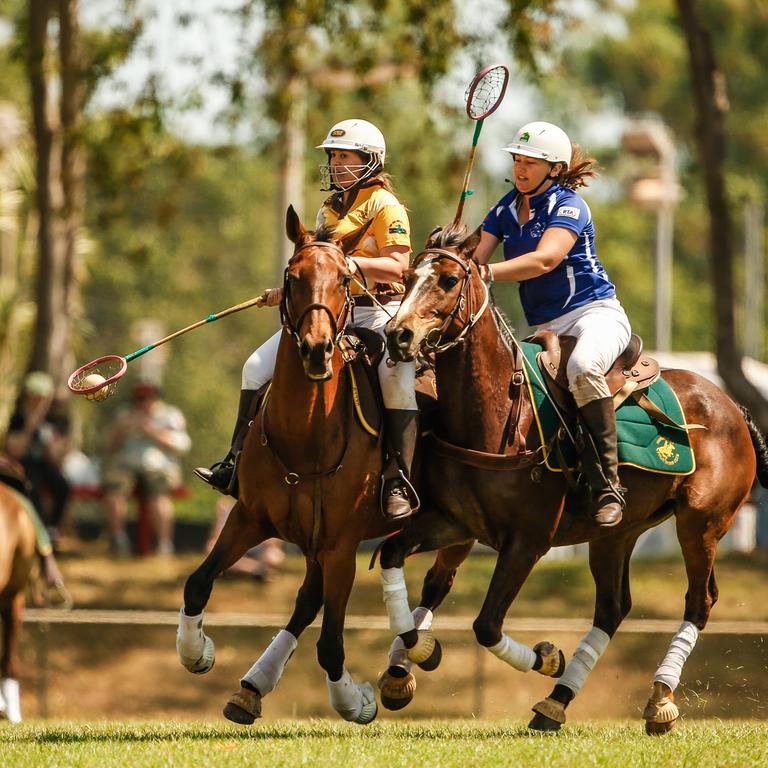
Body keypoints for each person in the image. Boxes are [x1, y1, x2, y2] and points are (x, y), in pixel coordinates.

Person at [195, 118, 418, 520]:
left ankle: (397, 478)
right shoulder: (328, 209)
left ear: (370, 160)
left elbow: (400, 266)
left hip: (377, 310)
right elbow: (315, 268)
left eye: (344, 156)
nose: (335, 163)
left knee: (396, 380)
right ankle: (234, 462)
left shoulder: (386, 206)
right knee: (254, 368)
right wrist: (291, 290)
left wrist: (346, 265)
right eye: (333, 156)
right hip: (329, 312)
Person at [473, 121, 632, 527]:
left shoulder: (569, 205)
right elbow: (475, 258)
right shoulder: (504, 208)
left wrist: (485, 274)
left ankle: (607, 485)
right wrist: (450, 257)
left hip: (593, 312)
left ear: (555, 169)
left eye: (531, 163)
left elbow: (545, 259)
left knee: (582, 369)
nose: (521, 169)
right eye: (517, 160)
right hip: (545, 327)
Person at [102, 381, 191, 554]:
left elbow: (182, 445)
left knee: (159, 497)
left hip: (159, 467)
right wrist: (122, 430)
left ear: (156, 398)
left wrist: (152, 432)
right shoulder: (125, 415)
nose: (143, 403)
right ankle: (118, 541)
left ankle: (164, 546)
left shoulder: (170, 415)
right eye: (139, 398)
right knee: (114, 492)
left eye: (148, 398)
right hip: (126, 466)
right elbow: (109, 448)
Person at [5, 371, 71, 553]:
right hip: (24, 466)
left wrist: (47, 438)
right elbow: (16, 451)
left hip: (47, 466)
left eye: (42, 398)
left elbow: (55, 457)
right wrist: (30, 426)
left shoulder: (56, 420)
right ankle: (37, 534)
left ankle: (51, 530)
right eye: (34, 397)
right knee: (32, 487)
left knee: (62, 486)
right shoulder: (16, 419)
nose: (37, 402)